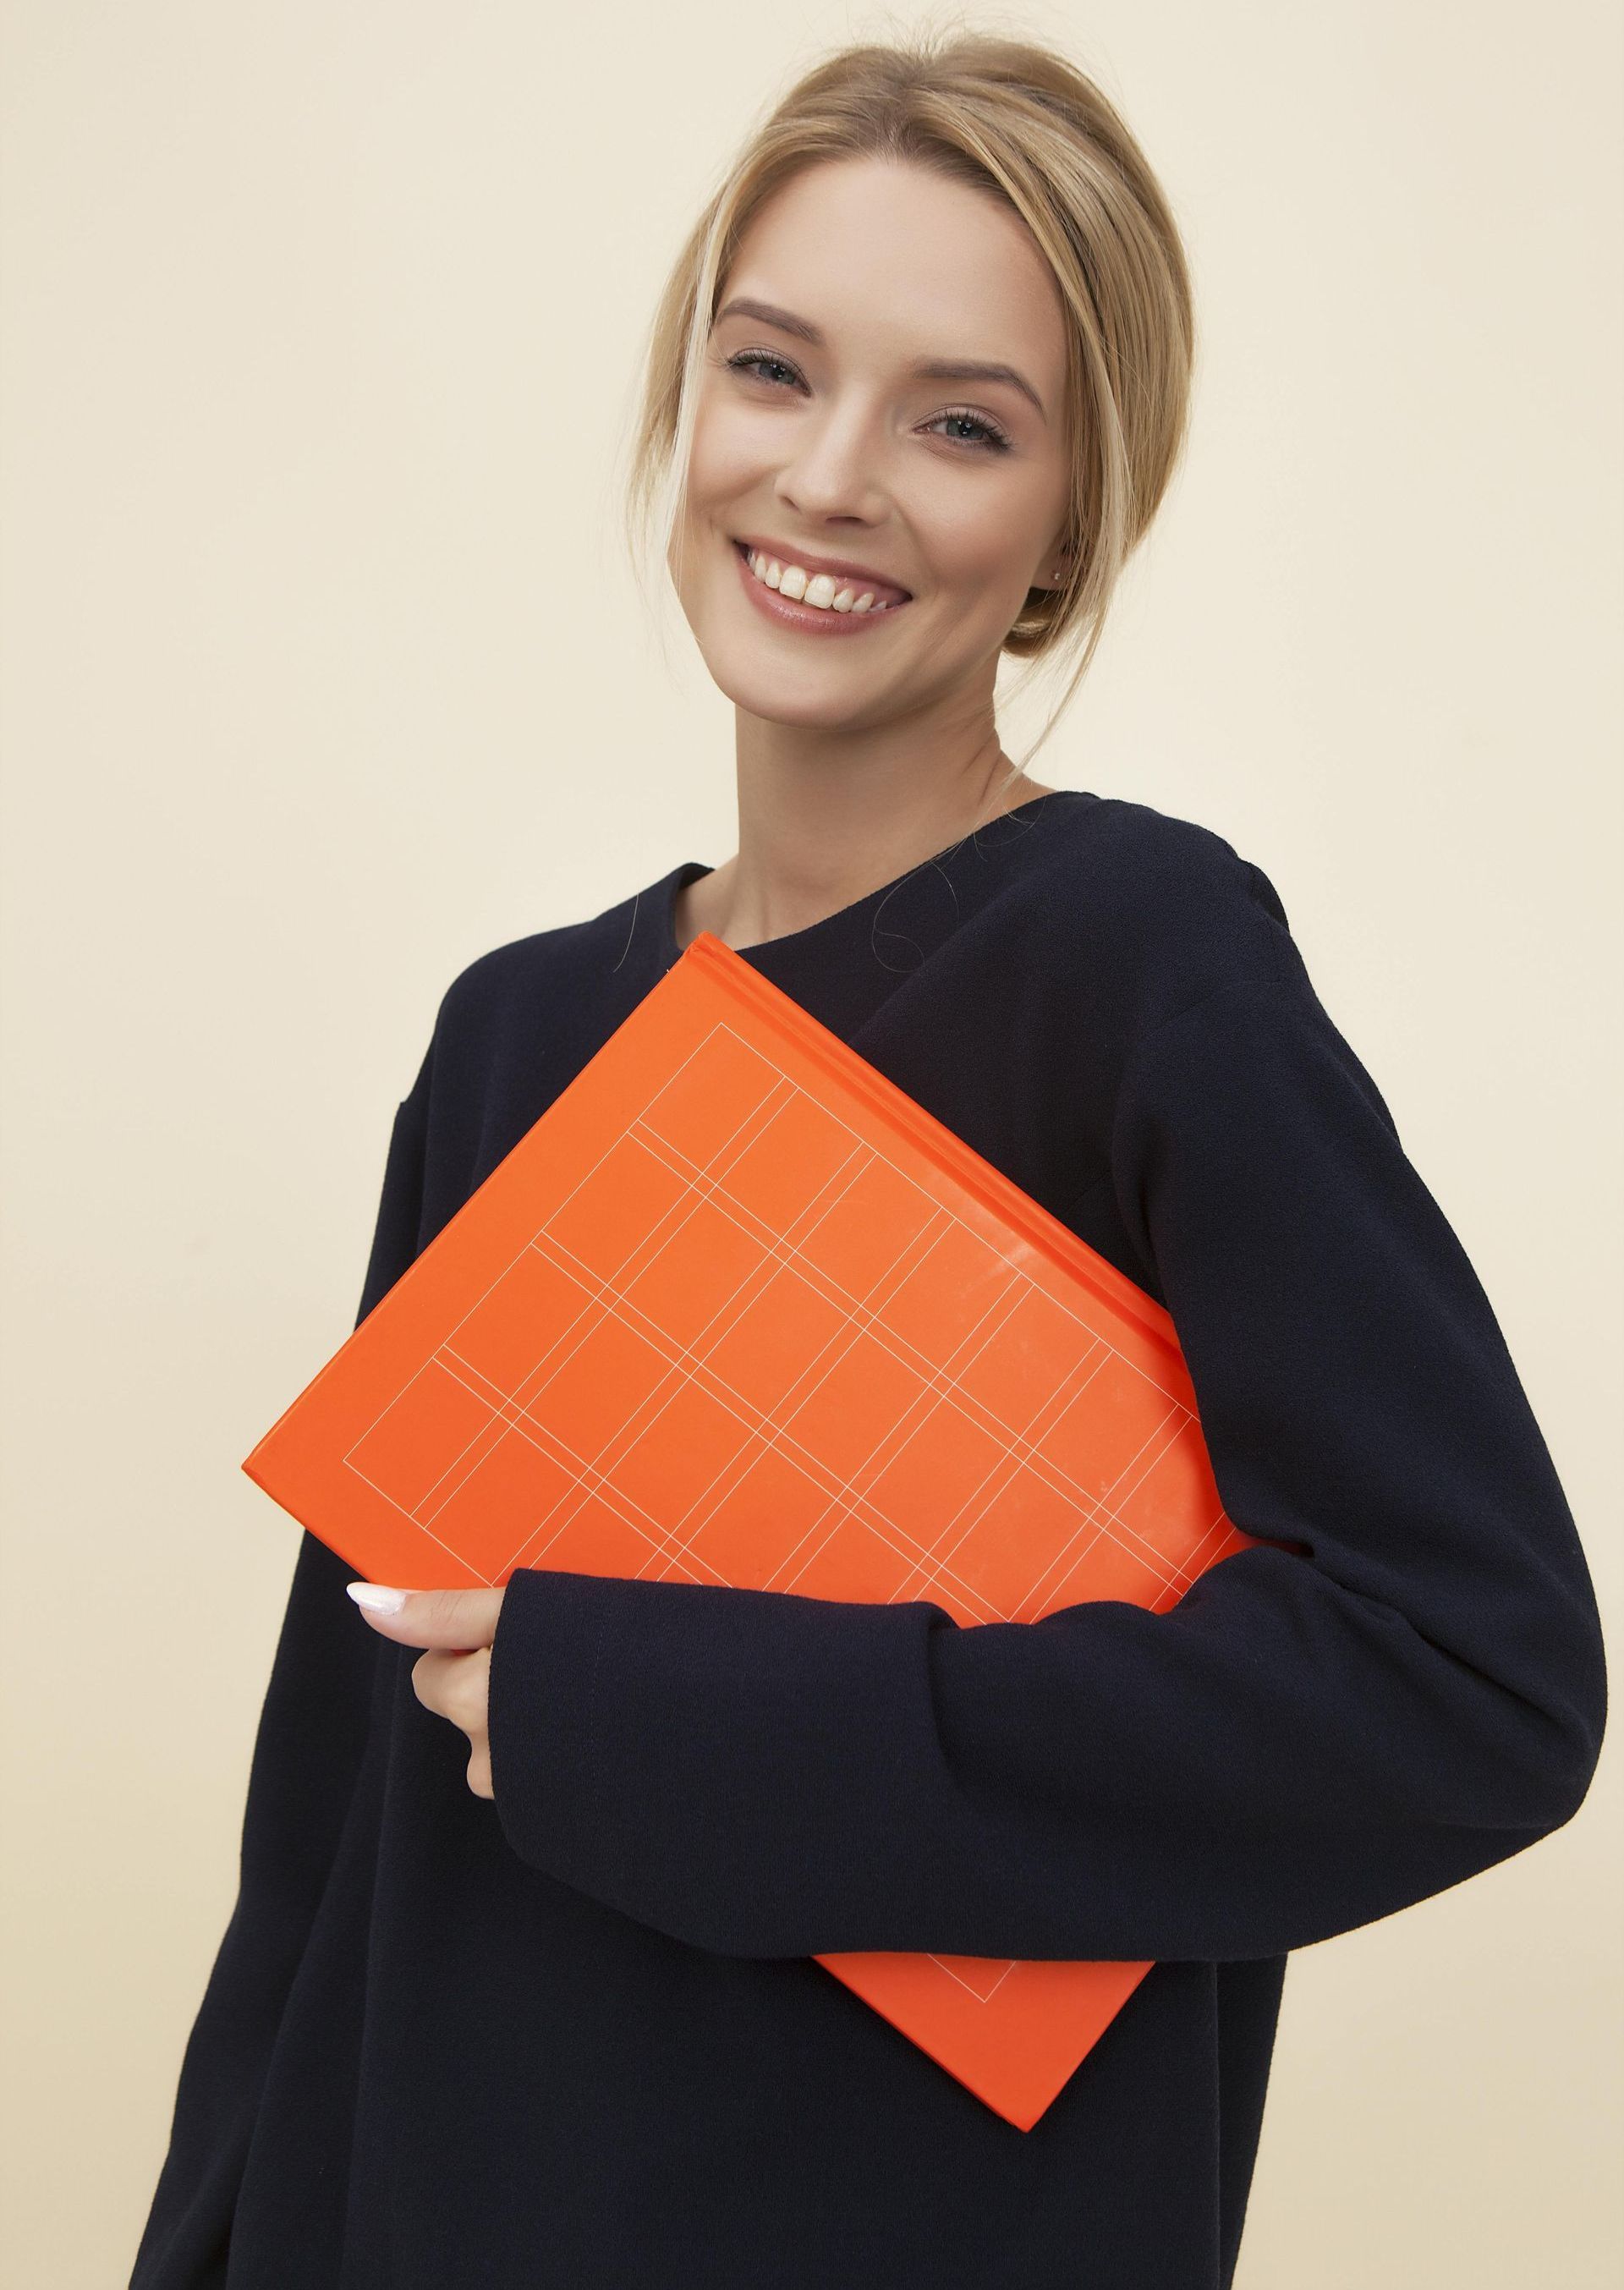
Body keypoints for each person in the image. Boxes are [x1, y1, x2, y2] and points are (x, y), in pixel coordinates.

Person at [129, 31, 1607, 2290]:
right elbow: (326, 1841)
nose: (829, 477)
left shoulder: (1140, 965)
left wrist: (671, 1723)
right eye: (770, 368)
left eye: (959, 421)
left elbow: (1468, 1679)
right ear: (684, 400)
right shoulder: (513, 1031)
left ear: (1071, 521)